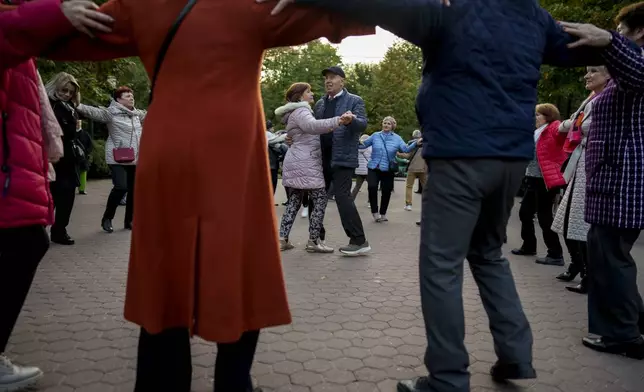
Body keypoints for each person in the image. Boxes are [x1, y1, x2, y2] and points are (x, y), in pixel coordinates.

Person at [263, 0, 603, 391]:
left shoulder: (453, 10)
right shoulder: (531, 14)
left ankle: (447, 377)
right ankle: (515, 355)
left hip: (460, 153)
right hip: (510, 158)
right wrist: (614, 39)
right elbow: (583, 43)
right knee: (489, 254)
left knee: (441, 264)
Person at [43, 2, 373, 390]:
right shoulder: (252, 4)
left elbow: (56, 35)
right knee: (238, 267)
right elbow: (352, 13)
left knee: (165, 274)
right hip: (232, 158)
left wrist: (52, 12)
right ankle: (233, 382)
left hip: (168, 152)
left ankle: (162, 382)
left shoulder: (140, 5)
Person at [0, 0, 112, 389]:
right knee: (26, 242)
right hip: (10, 170)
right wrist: (55, 14)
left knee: (28, 241)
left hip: (21, 166)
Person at [559, 3, 644, 359]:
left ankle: (622, 335)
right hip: (613, 180)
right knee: (609, 255)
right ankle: (631, 325)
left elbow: (636, 69)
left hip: (621, 182)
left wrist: (607, 39)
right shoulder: (627, 69)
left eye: (623, 30)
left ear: (639, 32)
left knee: (611, 259)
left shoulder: (636, 65)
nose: (618, 37)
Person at [551, 66, 610, 294]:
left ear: (608, 75)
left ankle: (588, 275)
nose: (587, 76)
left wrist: (572, 124)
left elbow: (581, 125)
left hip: (591, 165)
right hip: (581, 163)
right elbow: (576, 123)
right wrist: (572, 124)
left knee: (578, 224)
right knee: (567, 221)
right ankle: (580, 268)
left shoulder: (605, 98)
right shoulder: (591, 98)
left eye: (593, 71)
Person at [275, 82, 352, 252]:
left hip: (297, 161)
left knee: (294, 202)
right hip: (306, 162)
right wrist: (338, 120)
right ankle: (314, 241)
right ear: (300, 95)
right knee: (320, 199)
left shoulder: (294, 112)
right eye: (308, 91)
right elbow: (313, 127)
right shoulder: (302, 111)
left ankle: (282, 239)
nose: (312, 93)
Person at [313, 66, 370, 255]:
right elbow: (313, 127)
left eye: (332, 77)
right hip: (321, 158)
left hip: (342, 158)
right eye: (326, 78)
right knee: (317, 197)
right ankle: (316, 238)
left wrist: (351, 120)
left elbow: (362, 124)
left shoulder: (354, 101)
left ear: (342, 81)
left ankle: (359, 240)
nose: (328, 81)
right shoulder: (320, 104)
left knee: (342, 198)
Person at [76, 86, 145, 233]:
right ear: (118, 100)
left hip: (136, 158)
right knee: (121, 187)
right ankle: (107, 218)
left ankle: (129, 221)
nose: (131, 98)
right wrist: (77, 104)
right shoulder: (111, 113)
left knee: (133, 191)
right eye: (127, 96)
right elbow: (94, 112)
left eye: (131, 96)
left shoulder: (137, 114)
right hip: (117, 157)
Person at [511, 104, 566, 265]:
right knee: (525, 213)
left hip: (546, 179)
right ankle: (529, 246)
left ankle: (555, 254)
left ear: (548, 116)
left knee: (544, 216)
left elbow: (563, 128)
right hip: (533, 178)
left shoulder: (554, 127)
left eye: (538, 114)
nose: (535, 117)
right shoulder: (537, 132)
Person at [45, 72, 83, 245]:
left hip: (68, 156)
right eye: (64, 90)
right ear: (56, 88)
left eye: (71, 92)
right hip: (53, 157)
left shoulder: (71, 107)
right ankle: (43, 230)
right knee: (50, 195)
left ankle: (60, 230)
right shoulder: (49, 105)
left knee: (67, 196)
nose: (67, 94)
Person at [360, 116, 418, 222]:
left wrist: (416, 143)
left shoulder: (397, 138)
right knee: (372, 187)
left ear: (392, 126)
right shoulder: (375, 135)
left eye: (389, 123)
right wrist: (355, 141)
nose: (386, 125)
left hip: (388, 169)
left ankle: (383, 213)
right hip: (374, 167)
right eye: (384, 123)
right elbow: (363, 145)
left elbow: (405, 149)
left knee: (386, 191)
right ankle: (375, 211)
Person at [401, 129, 426, 211]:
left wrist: (398, 154)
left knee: (409, 186)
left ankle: (408, 205)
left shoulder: (412, 143)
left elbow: (407, 156)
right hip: (423, 168)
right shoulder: (426, 143)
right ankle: (428, 205)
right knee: (426, 188)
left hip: (412, 168)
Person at [351, 134, 371, 200]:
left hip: (359, 170)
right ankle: (370, 201)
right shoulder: (369, 147)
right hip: (368, 170)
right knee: (371, 186)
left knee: (357, 186)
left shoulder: (357, 147)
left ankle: (351, 199)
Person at [76, 120, 93, 195]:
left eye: (79, 123)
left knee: (83, 172)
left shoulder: (85, 134)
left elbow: (90, 145)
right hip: (74, 156)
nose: (78, 124)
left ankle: (82, 189)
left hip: (83, 156)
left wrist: (87, 152)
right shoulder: (71, 133)